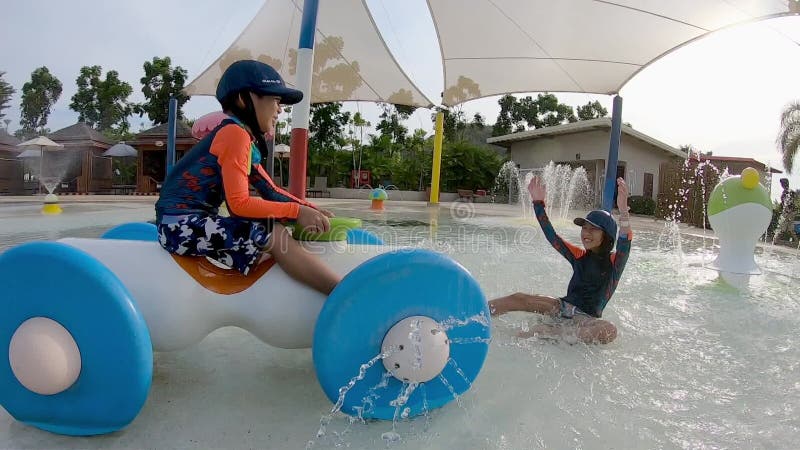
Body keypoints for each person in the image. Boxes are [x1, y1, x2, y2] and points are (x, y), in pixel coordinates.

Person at [155, 60, 340, 294]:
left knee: (272, 221)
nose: (280, 109)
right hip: (178, 227)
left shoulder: (241, 137)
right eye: (274, 100)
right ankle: (340, 290)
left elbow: (270, 191)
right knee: (274, 232)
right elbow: (239, 205)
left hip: (186, 225)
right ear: (244, 100)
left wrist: (309, 209)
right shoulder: (234, 135)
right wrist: (297, 212)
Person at [489, 176, 633, 344]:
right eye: (584, 228)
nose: (586, 233)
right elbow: (552, 237)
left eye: (593, 229)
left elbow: (625, 242)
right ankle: (478, 310)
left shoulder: (615, 262)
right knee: (519, 298)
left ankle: (553, 332)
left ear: (606, 236)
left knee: (609, 330)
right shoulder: (579, 255)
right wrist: (538, 203)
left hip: (585, 319)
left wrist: (623, 213)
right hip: (560, 307)